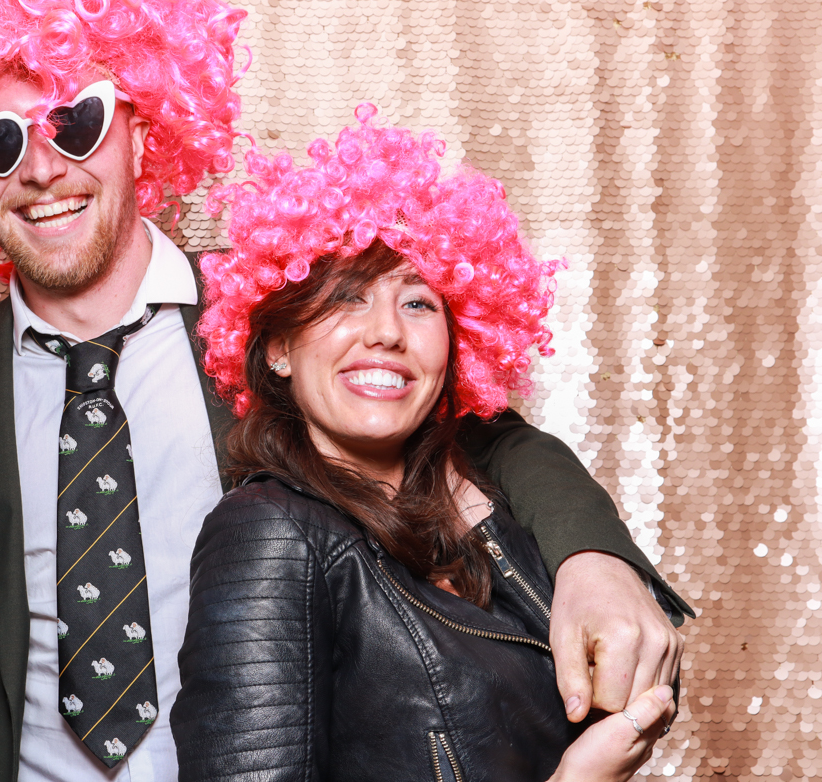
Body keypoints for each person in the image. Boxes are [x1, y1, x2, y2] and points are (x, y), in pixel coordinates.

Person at [0, 0, 689, 779]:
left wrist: (592, 560)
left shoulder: (269, 319)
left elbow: (480, 433)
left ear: (142, 128)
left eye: (75, 123)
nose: (42, 169)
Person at [172, 108, 681, 781]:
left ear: (457, 342)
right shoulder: (268, 533)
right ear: (279, 348)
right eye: (346, 298)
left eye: (417, 303)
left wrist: (599, 565)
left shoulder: (481, 500)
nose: (385, 332)